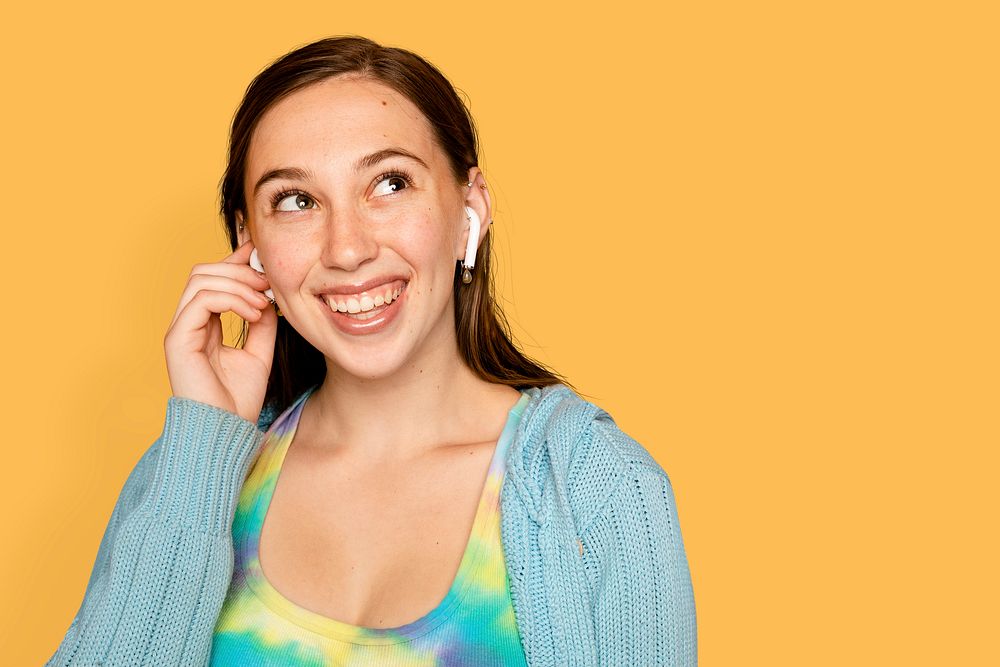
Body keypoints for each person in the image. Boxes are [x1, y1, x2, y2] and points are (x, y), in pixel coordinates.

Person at [46, 35, 696, 666]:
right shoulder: (185, 474)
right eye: (296, 200)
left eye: (389, 183)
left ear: (471, 207)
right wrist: (203, 449)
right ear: (251, 243)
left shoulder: (595, 486)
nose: (347, 248)